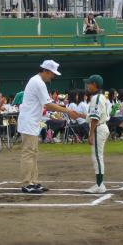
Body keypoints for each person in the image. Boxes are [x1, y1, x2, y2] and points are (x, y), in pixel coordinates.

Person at [17, 60, 79, 194]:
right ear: (46, 71)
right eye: (52, 74)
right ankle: (27, 183)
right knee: (29, 153)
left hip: (31, 122)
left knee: (33, 153)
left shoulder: (37, 81)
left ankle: (33, 182)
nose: (53, 77)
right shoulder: (38, 82)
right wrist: (68, 111)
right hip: (29, 122)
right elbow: (48, 105)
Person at [79, 75, 110, 194]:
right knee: (97, 156)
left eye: (89, 83)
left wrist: (90, 134)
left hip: (98, 129)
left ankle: (99, 185)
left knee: (97, 157)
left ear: (95, 85)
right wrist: (79, 115)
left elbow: (95, 118)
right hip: (100, 127)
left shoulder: (96, 98)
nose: (87, 85)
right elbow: (92, 116)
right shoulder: (100, 97)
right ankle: (99, 184)